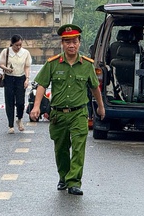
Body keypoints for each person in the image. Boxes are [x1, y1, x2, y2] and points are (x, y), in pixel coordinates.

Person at [30, 24, 106, 196]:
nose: (71, 45)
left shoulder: (87, 65)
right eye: (67, 42)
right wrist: (36, 107)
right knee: (61, 148)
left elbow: (95, 88)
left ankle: (74, 182)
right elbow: (42, 84)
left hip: (79, 113)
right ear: (62, 44)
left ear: (79, 43)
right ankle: (63, 177)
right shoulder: (53, 64)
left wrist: (100, 107)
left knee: (79, 147)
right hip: (58, 114)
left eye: (74, 41)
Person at [0, 34, 32, 134]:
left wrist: (27, 79)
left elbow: (27, 67)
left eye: (20, 45)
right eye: (16, 45)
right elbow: (1, 64)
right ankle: (10, 125)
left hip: (20, 78)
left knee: (20, 102)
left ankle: (19, 119)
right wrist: (7, 69)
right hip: (9, 78)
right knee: (9, 102)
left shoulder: (25, 53)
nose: (18, 47)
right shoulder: (6, 51)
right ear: (12, 44)